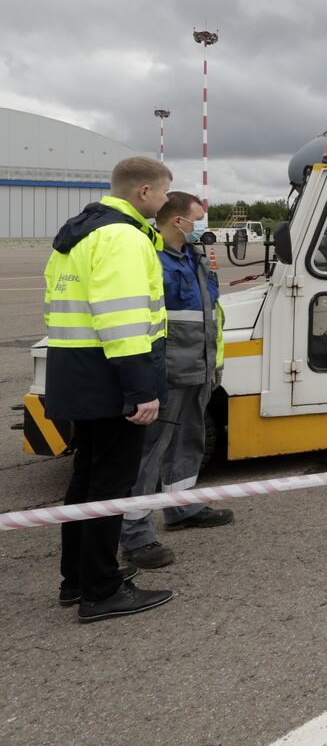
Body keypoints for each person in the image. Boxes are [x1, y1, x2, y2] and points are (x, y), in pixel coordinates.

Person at [45, 156, 174, 622]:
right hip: (112, 377)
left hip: (78, 373)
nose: (163, 203)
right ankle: (100, 592)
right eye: (162, 194)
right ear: (143, 192)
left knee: (86, 481)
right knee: (110, 486)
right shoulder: (122, 237)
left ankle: (76, 579)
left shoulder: (79, 232)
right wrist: (141, 390)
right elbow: (121, 320)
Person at [120, 192, 233, 569]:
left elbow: (207, 314)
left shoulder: (195, 258)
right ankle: (135, 535)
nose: (203, 226)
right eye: (198, 219)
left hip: (197, 370)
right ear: (177, 221)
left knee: (188, 442)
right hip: (166, 374)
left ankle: (181, 508)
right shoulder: (153, 261)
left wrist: (211, 367)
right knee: (148, 454)